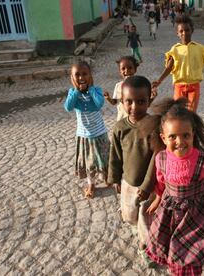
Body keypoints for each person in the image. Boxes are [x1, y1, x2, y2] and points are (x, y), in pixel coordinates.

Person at [142, 98, 204, 276]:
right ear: (163, 138)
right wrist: (157, 198)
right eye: (173, 136)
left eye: (185, 135)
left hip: (195, 213)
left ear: (193, 134)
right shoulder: (161, 158)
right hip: (169, 211)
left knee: (190, 251)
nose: (180, 141)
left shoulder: (203, 160)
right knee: (170, 242)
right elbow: (160, 181)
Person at [108, 75, 156, 263]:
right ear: (122, 101)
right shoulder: (120, 127)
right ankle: (137, 225)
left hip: (150, 185)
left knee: (147, 216)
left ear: (150, 100)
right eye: (129, 101)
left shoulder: (154, 125)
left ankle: (146, 245)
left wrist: (147, 185)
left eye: (141, 101)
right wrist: (114, 178)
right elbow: (115, 155)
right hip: (128, 182)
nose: (135, 107)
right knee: (129, 213)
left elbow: (156, 158)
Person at [152, 15, 204, 112]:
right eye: (181, 31)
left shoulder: (199, 48)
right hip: (179, 86)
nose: (184, 33)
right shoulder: (175, 49)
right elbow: (169, 68)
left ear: (192, 30)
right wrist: (159, 81)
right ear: (177, 34)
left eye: (187, 30)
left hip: (194, 86)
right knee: (178, 112)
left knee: (191, 113)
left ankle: (192, 127)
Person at [64, 61, 110, 199]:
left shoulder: (97, 90)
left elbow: (99, 103)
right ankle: (91, 183)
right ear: (72, 78)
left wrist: (89, 89)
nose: (81, 77)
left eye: (85, 74)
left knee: (104, 158)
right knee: (88, 162)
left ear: (90, 76)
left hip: (99, 133)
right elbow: (68, 107)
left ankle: (107, 178)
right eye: (77, 75)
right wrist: (77, 91)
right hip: (84, 136)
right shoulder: (73, 93)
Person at [104, 56, 139, 121]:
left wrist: (152, 97)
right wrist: (108, 98)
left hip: (136, 119)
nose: (126, 71)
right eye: (123, 68)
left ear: (135, 69)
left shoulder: (139, 85)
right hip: (122, 119)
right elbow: (114, 102)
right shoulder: (118, 86)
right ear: (120, 71)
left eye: (130, 68)